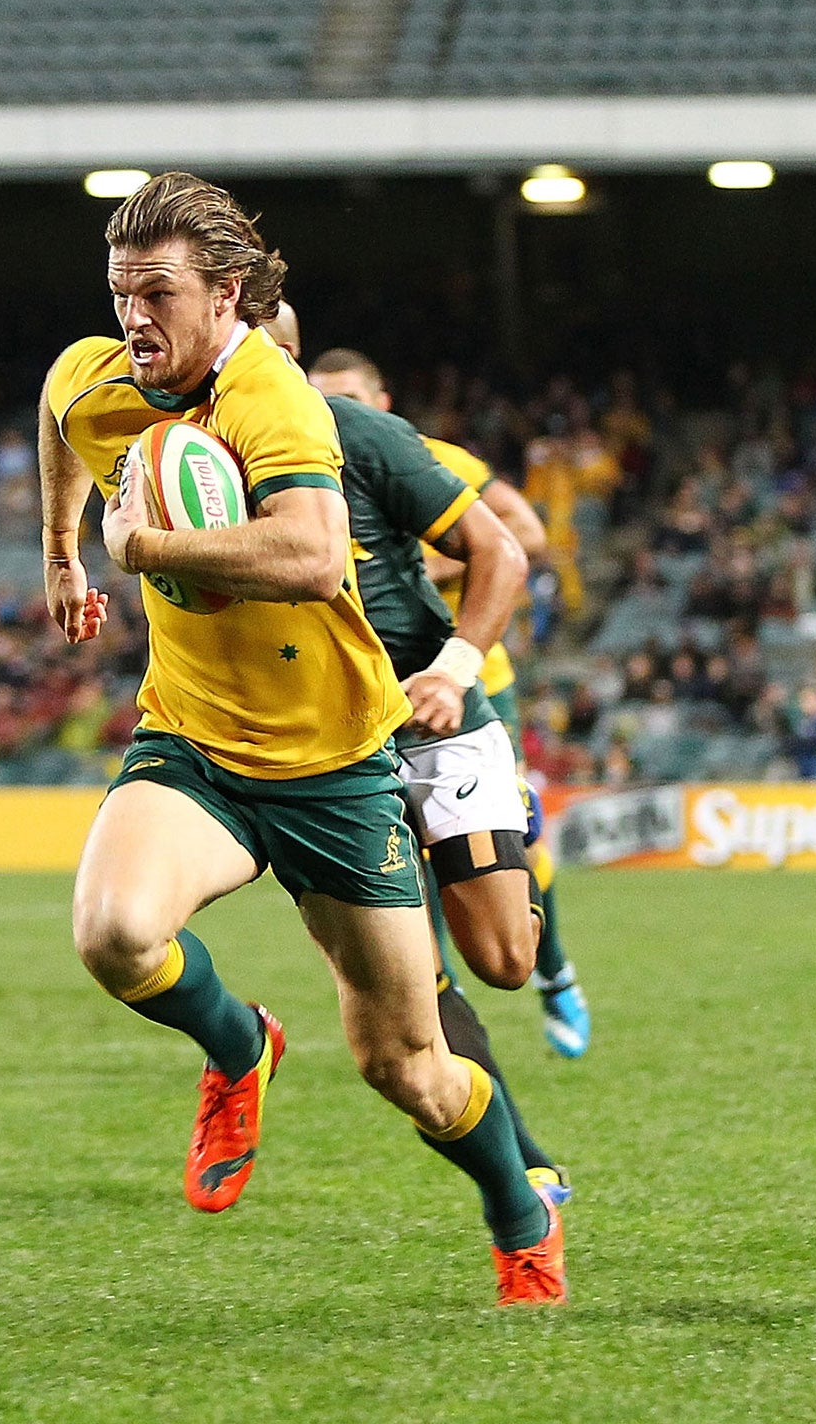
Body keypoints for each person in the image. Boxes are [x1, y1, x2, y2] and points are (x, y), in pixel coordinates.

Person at [38, 173, 563, 1305]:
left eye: (159, 292)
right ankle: (239, 1047)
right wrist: (60, 547)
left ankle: (518, 1211)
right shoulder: (105, 374)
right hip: (195, 746)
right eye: (121, 290)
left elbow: (314, 556)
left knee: (409, 1068)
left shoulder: (274, 401)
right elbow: (58, 406)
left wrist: (141, 553)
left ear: (225, 294)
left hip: (335, 767)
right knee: (114, 932)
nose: (135, 316)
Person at [286, 342, 574, 1219]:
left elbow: (516, 543)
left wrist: (447, 650)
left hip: (437, 712)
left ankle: (544, 944)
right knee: (416, 1002)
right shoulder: (206, 459)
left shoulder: (391, 445)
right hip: (327, 756)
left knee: (502, 960)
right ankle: (524, 1173)